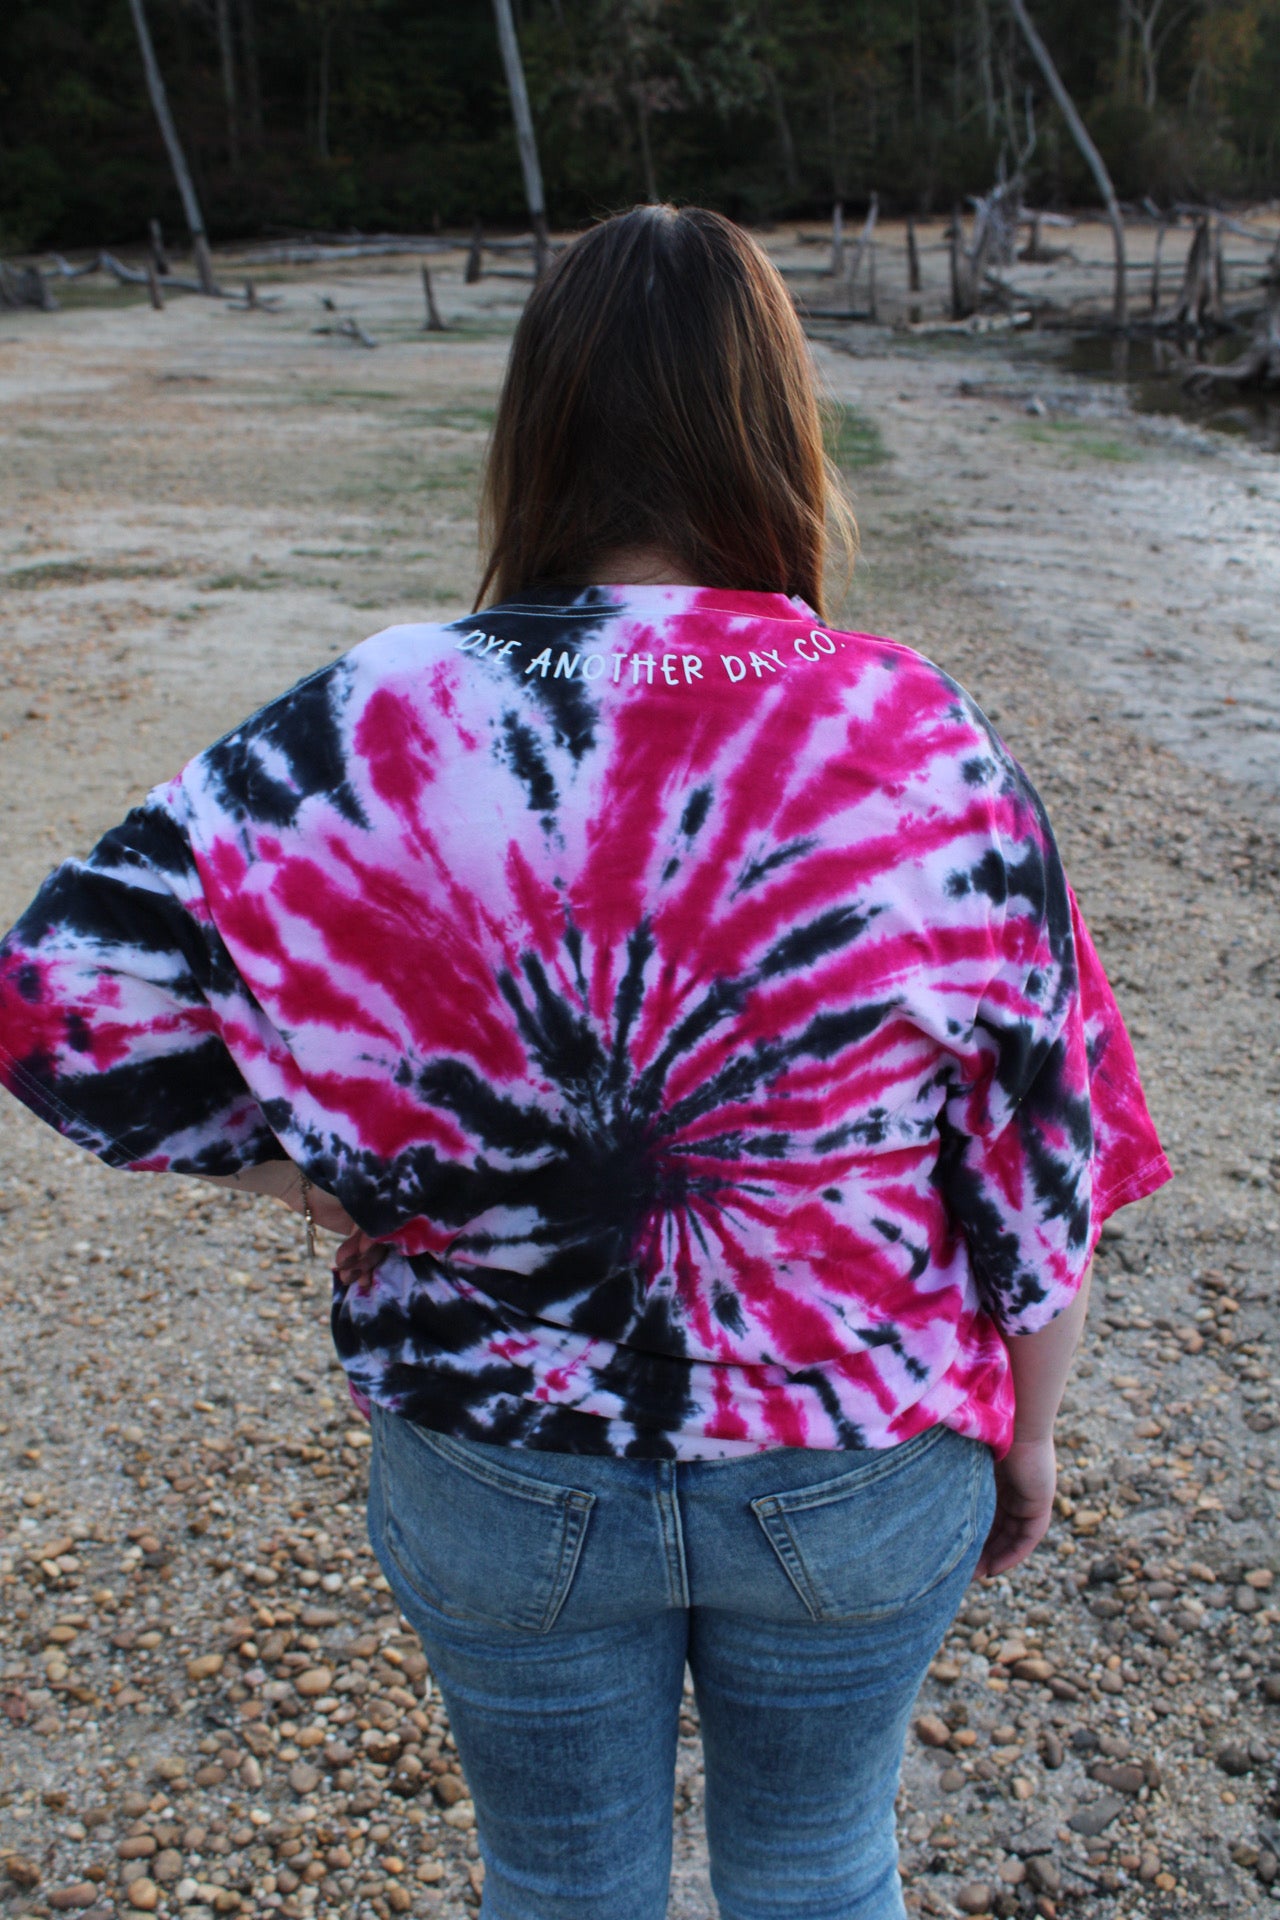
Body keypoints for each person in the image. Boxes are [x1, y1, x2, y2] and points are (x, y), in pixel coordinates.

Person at [0, 205, 1169, 1920]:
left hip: (499, 1458)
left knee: (556, 1890)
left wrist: (325, 1166)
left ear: (535, 432)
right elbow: (1039, 1155)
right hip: (859, 1453)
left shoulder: (382, 711)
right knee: (824, 1870)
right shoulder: (917, 728)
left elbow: (57, 999)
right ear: (778, 429)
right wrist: (1033, 1438)